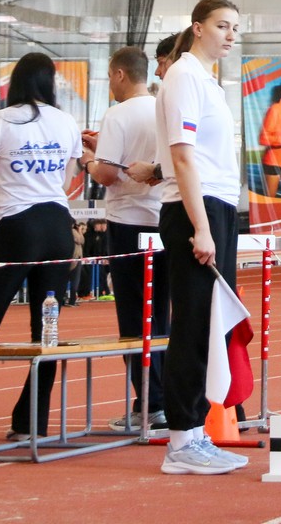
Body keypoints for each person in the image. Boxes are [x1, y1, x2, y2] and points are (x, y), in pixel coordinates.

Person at [155, 0, 249, 475]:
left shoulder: (207, 81)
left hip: (217, 205)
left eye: (235, 28)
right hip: (198, 210)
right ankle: (181, 441)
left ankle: (194, 433)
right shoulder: (185, 76)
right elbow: (183, 156)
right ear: (197, 28)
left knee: (209, 325)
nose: (230, 35)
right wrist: (202, 227)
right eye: (221, 25)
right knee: (192, 325)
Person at [0, 52, 82, 441]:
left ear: (15, 81)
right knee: (46, 330)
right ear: (51, 82)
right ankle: (31, 423)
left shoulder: (0, 120)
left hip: (18, 225)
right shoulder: (66, 121)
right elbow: (67, 179)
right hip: (56, 225)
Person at [80, 45, 170, 432]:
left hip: (128, 222)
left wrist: (89, 159)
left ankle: (150, 403)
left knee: (134, 317)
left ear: (119, 74)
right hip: (164, 219)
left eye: (109, 78)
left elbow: (106, 175)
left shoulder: (117, 114)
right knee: (161, 313)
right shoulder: (163, 107)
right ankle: (163, 399)